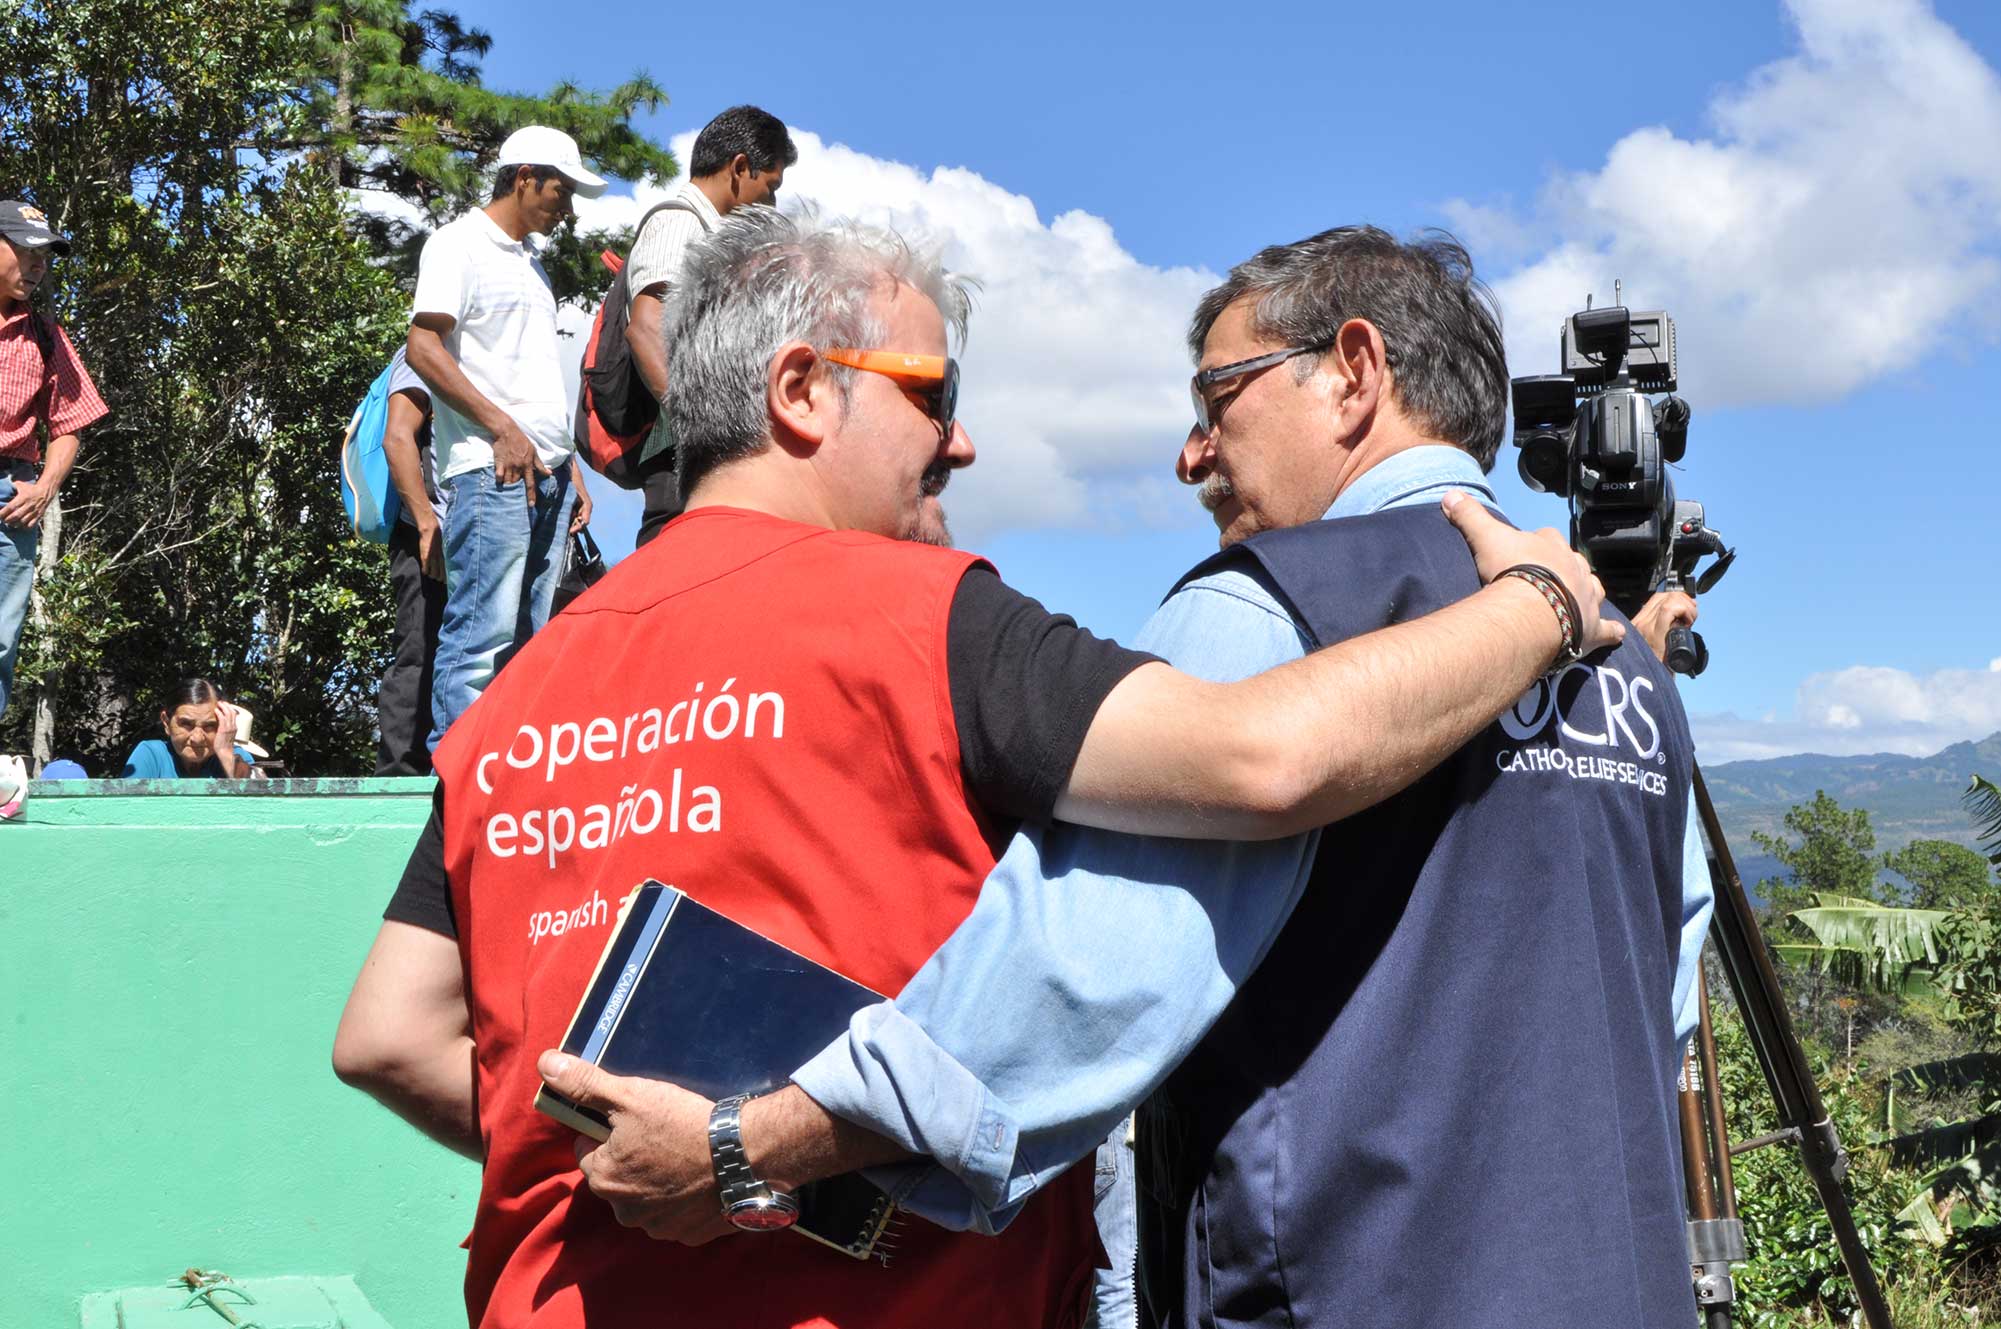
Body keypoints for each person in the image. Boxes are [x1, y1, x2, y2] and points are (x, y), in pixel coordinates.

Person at [332, 208, 1618, 1329]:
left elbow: (386, 1038)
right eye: (932, 397)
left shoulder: (520, 697)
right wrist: (1544, 605)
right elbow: (1263, 755)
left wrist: (640, 1152)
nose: (958, 445)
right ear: (802, 390)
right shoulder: (919, 620)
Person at [409, 126, 598, 754]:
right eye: (561, 191)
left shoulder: (531, 265)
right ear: (524, 178)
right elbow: (423, 348)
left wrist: (569, 468)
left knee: (528, 646)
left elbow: (529, 377)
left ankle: (503, 784)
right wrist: (502, 429)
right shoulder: (457, 245)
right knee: (479, 638)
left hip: (546, 473)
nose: (567, 208)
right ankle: (457, 784)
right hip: (491, 471)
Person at [621, 104, 794, 545]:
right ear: (740, 167)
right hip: (684, 455)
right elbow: (645, 329)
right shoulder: (678, 223)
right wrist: (702, 430)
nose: (772, 202)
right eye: (770, 185)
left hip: (701, 453)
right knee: (676, 567)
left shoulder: (711, 234)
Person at [0, 200, 109, 722]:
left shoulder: (45, 336)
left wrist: (44, 488)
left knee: (1, 637)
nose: (37, 265)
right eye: (26, 251)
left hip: (11, 497)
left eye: (44, 256)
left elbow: (70, 423)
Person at [375, 348, 447, 776]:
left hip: (473, 530)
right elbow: (397, 437)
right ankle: (399, 777)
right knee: (419, 651)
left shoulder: (479, 353)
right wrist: (425, 524)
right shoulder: (421, 351)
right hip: (425, 531)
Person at [120, 678, 260, 778]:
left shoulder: (235, 756)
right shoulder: (152, 755)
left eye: (209, 726)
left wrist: (225, 753)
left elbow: (263, 799)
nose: (197, 738)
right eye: (186, 724)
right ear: (166, 723)